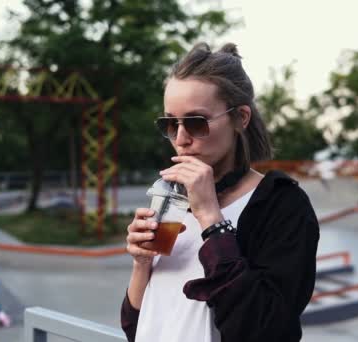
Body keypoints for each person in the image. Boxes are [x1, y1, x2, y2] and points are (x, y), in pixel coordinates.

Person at [120, 43, 320, 342]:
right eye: (169, 123)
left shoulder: (281, 204)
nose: (181, 138)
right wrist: (142, 263)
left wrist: (211, 220)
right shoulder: (171, 198)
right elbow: (137, 323)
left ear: (241, 118)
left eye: (196, 122)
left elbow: (267, 328)